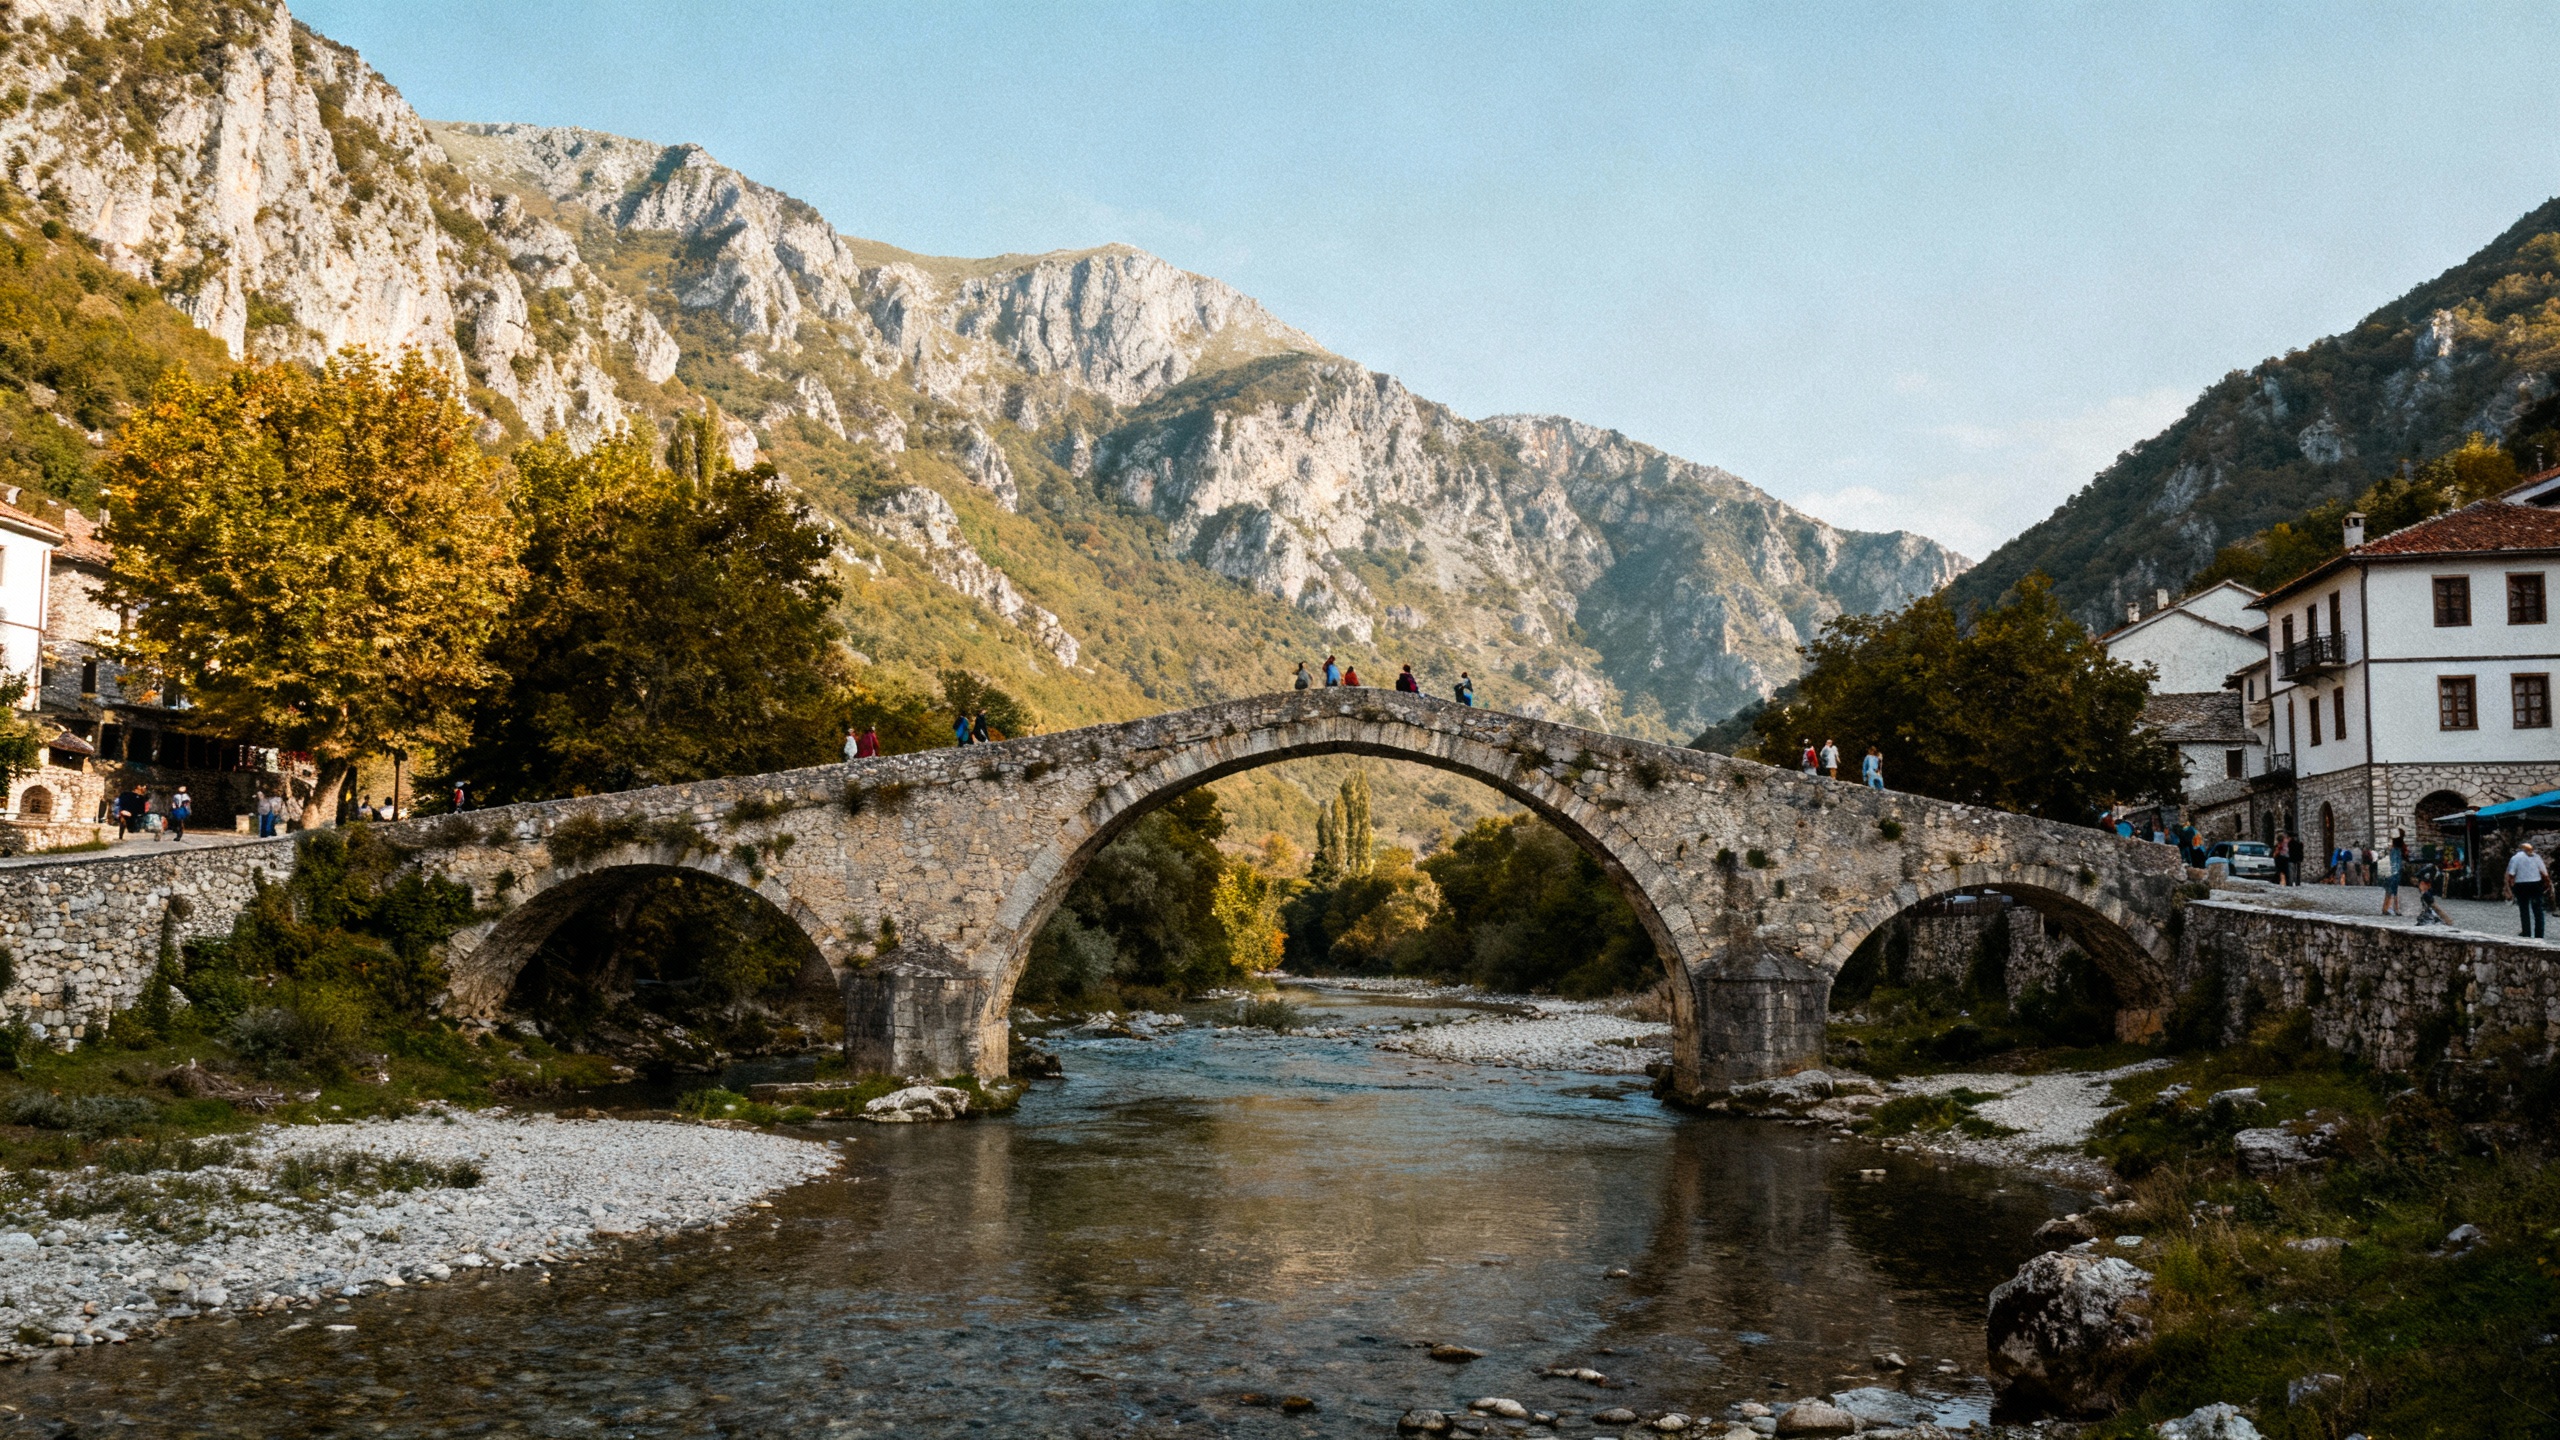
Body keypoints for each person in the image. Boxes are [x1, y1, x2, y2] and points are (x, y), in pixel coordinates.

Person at [2508, 841, 2548, 939]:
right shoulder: (2536, 857)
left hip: (2521, 885)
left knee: (2524, 909)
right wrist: (2547, 884)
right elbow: (2544, 873)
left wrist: (2510, 886)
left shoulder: (2515, 858)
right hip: (2535, 885)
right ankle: (2539, 934)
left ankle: (2526, 932)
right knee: (2538, 910)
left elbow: (2511, 874)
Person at [2381, 833, 2408, 916]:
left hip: (2392, 873)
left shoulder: (2394, 850)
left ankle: (2386, 908)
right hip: (2394, 873)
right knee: (2393, 891)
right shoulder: (2396, 851)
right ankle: (2394, 909)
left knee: (2390, 891)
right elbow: (2395, 863)